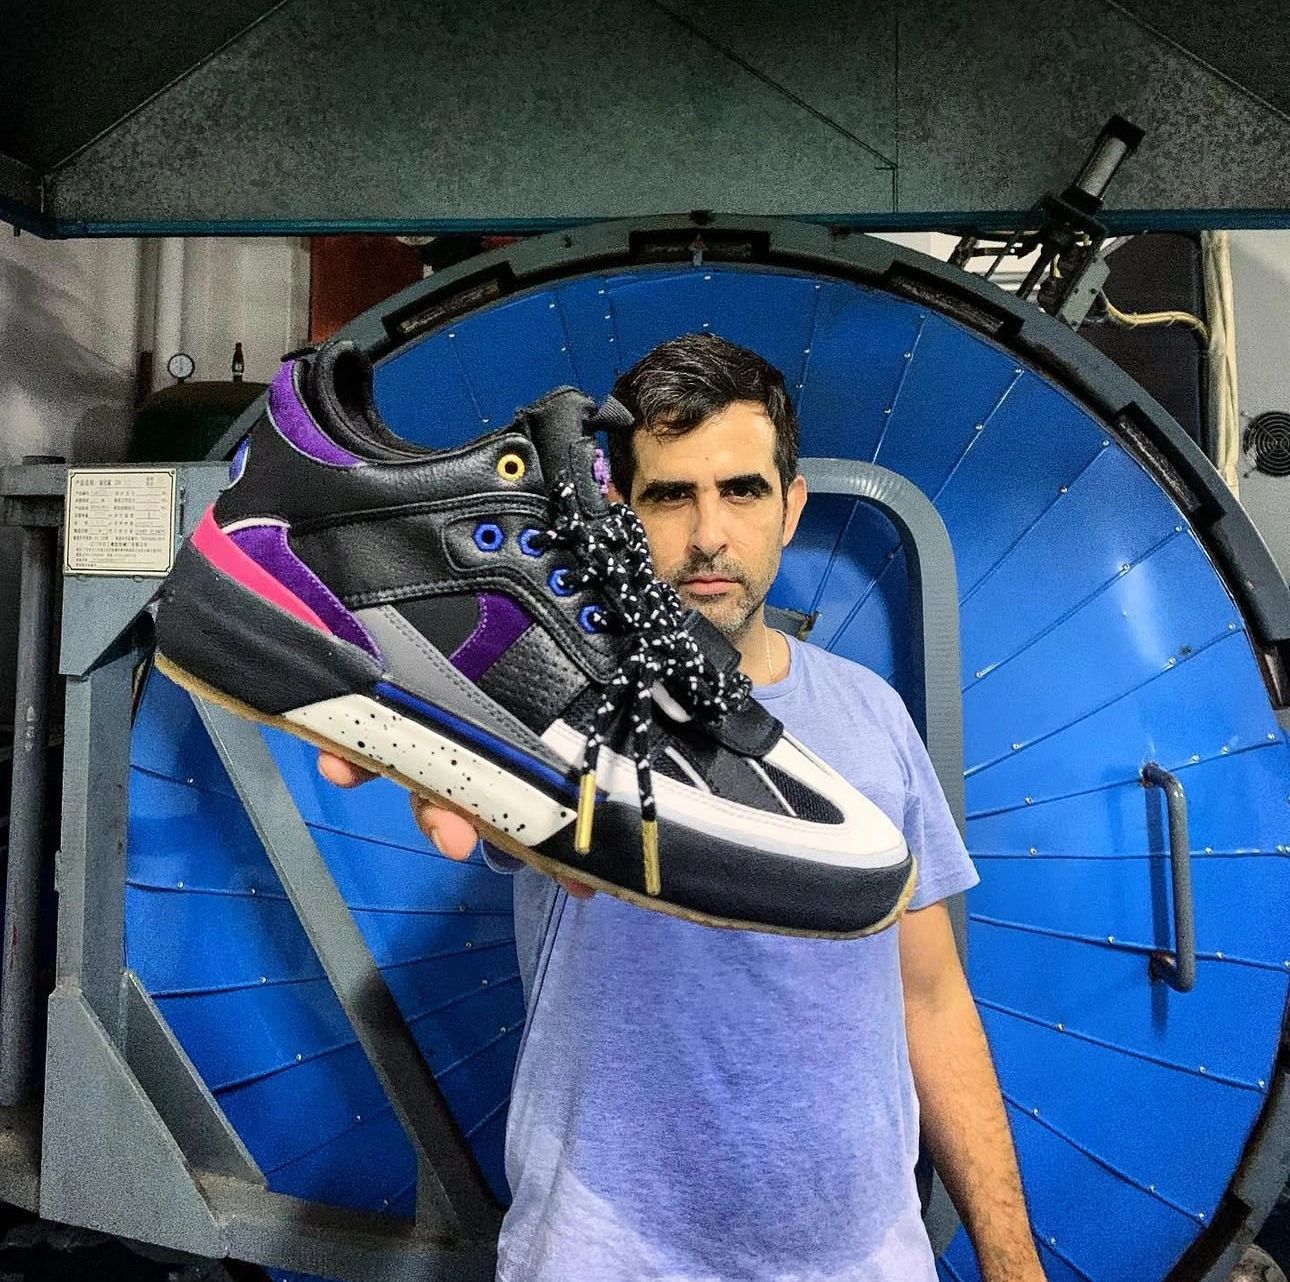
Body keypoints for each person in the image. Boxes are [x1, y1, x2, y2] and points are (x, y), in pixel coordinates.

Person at [318, 334, 1046, 1282]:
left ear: (790, 510)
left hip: (861, 1257)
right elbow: (485, 790)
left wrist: (1013, 1262)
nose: (709, 536)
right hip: (601, 1254)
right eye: (670, 495)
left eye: (741, 490)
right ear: (619, 514)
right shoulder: (559, 702)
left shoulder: (872, 714)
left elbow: (932, 995)